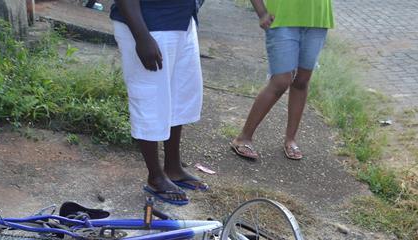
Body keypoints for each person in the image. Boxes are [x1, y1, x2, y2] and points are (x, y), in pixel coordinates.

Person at [111, 0, 208, 206]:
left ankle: (173, 167)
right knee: (150, 100)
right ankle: (155, 176)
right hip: (149, 25)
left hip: (182, 21)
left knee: (178, 97)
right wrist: (141, 36)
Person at [231, 0, 334, 162]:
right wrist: (261, 12)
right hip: (281, 19)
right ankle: (243, 138)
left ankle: (290, 140)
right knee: (281, 80)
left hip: (318, 19)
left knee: (301, 81)